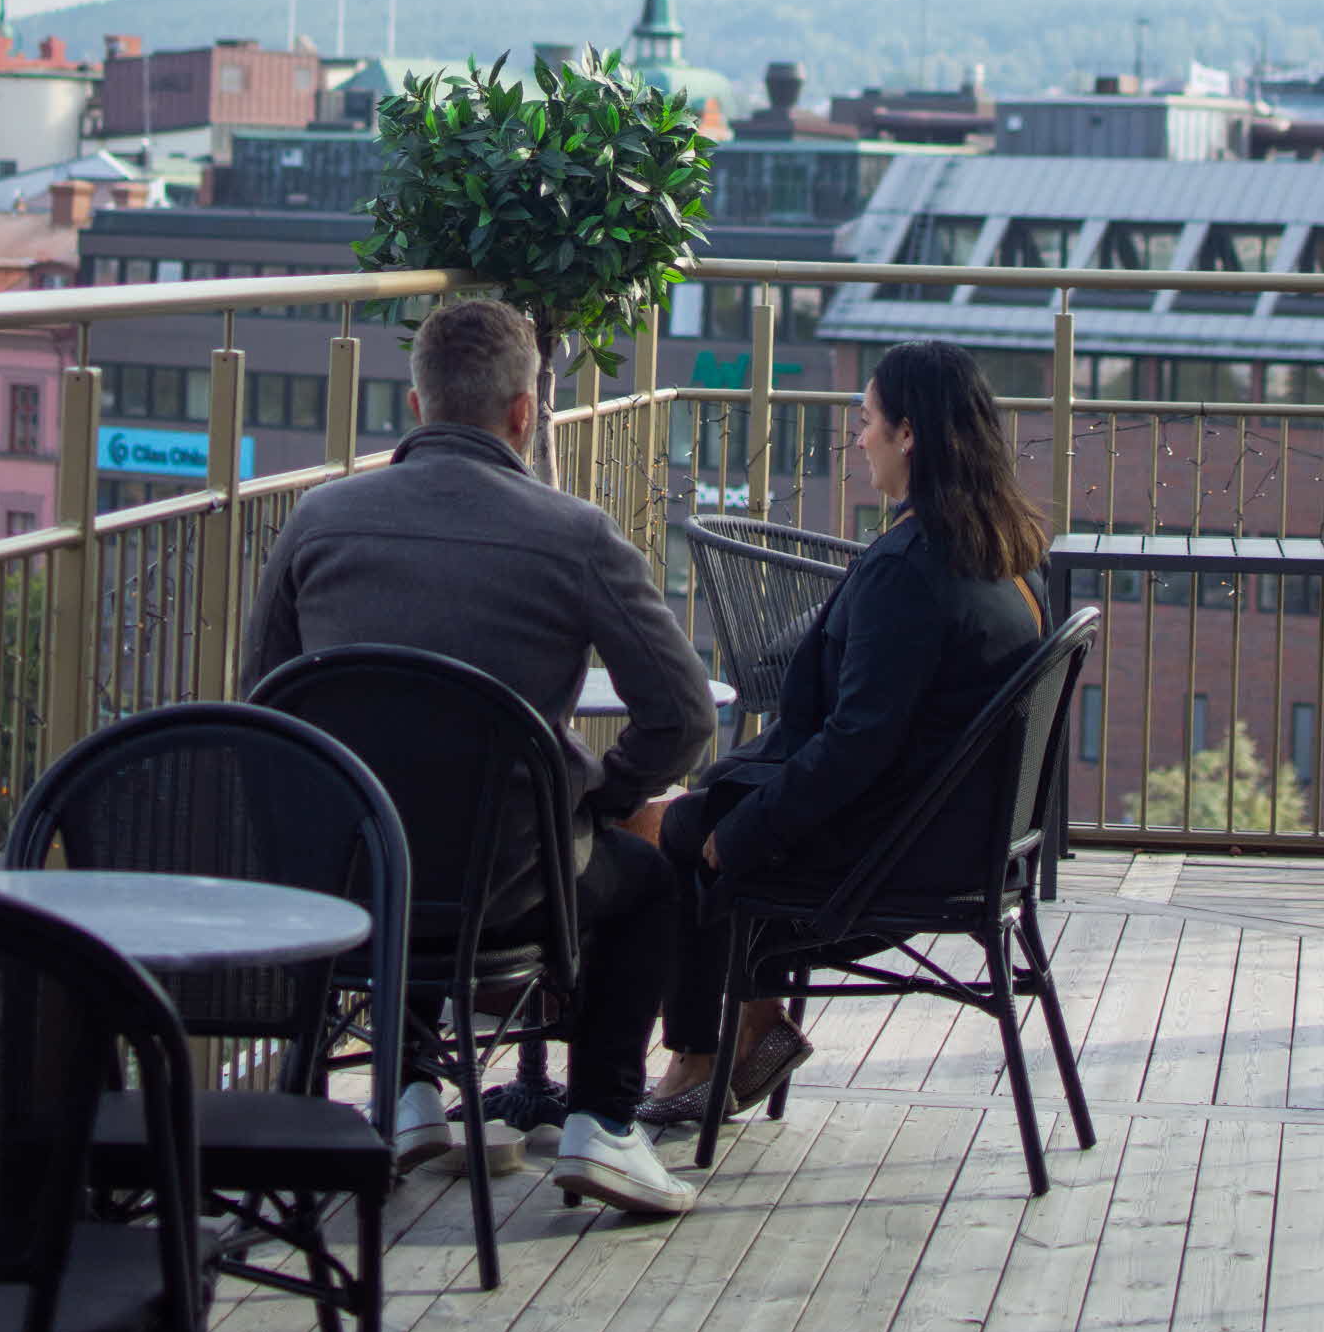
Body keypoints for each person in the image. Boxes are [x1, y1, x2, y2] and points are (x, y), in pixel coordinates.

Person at [245, 296, 718, 1219]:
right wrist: (595, 804)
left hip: (349, 886)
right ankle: (604, 1126)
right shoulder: (574, 535)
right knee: (649, 882)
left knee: (397, 799)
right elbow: (685, 714)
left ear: (416, 409)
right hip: (508, 889)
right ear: (524, 412)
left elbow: (263, 707)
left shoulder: (317, 520)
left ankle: (411, 1092)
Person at [641, 337, 1049, 1125]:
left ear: (908, 435)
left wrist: (747, 829)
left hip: (898, 856)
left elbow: (859, 743)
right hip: (970, 838)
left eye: (867, 421)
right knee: (698, 812)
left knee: (687, 830)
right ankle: (748, 1030)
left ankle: (701, 1059)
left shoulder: (908, 568)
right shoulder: (1005, 553)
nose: (856, 437)